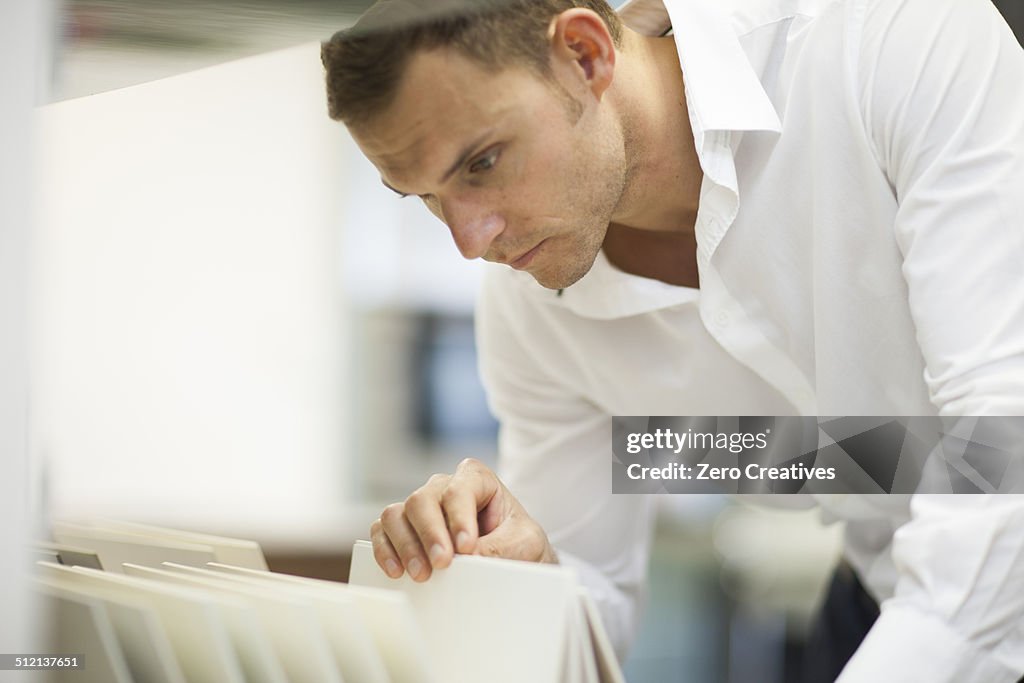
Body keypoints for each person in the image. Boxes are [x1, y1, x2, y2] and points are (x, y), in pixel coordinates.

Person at [321, 0, 1024, 680]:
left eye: (481, 163)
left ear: (585, 53)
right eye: (427, 198)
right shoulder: (533, 311)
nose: (470, 243)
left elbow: (1006, 449)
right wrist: (527, 580)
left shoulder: (884, 42)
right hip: (892, 598)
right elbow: (593, 610)